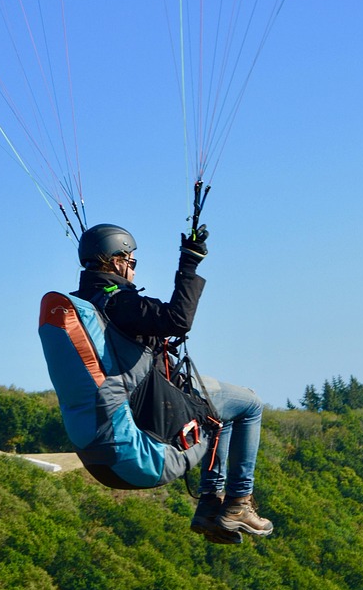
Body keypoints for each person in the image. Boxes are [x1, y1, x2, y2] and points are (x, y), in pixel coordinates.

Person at [73, 223, 273, 544]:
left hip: (138, 401)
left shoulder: (86, 302)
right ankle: (238, 502)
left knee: (224, 413)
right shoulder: (119, 302)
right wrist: (189, 263)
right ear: (115, 260)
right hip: (159, 407)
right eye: (132, 263)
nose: (134, 271)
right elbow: (178, 320)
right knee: (249, 404)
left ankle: (211, 504)